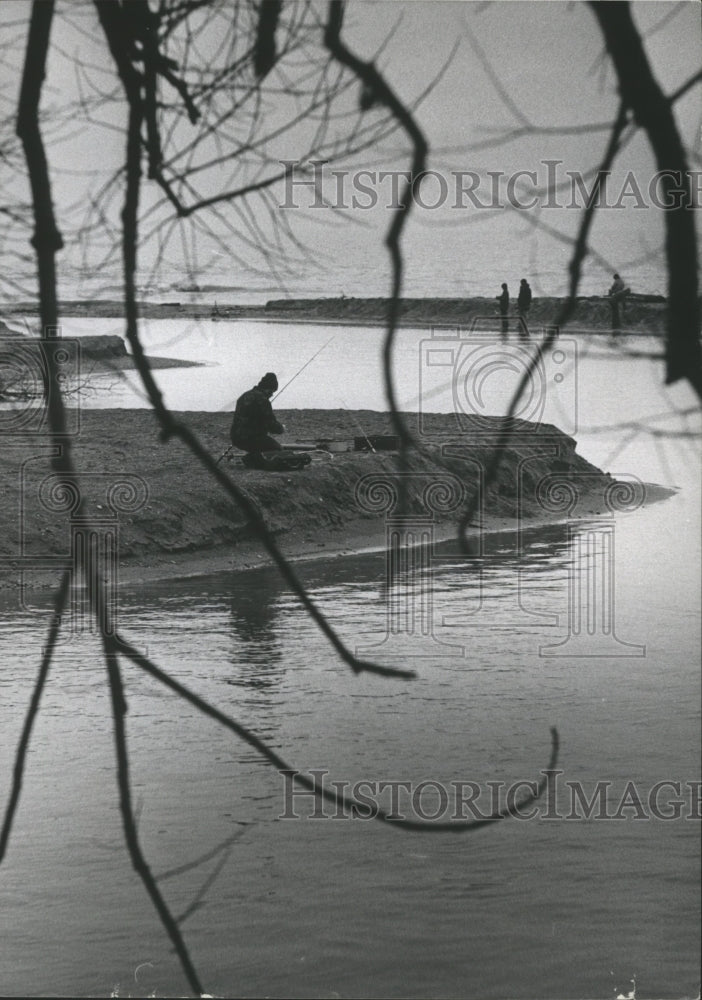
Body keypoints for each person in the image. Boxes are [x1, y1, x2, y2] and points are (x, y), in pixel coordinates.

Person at [230, 372, 284, 467]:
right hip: (252, 438)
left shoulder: (244, 396)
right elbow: (271, 424)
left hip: (235, 437)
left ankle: (253, 456)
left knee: (264, 445)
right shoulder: (262, 400)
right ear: (268, 389)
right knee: (277, 450)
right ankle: (253, 460)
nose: (271, 395)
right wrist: (281, 428)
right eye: (272, 392)